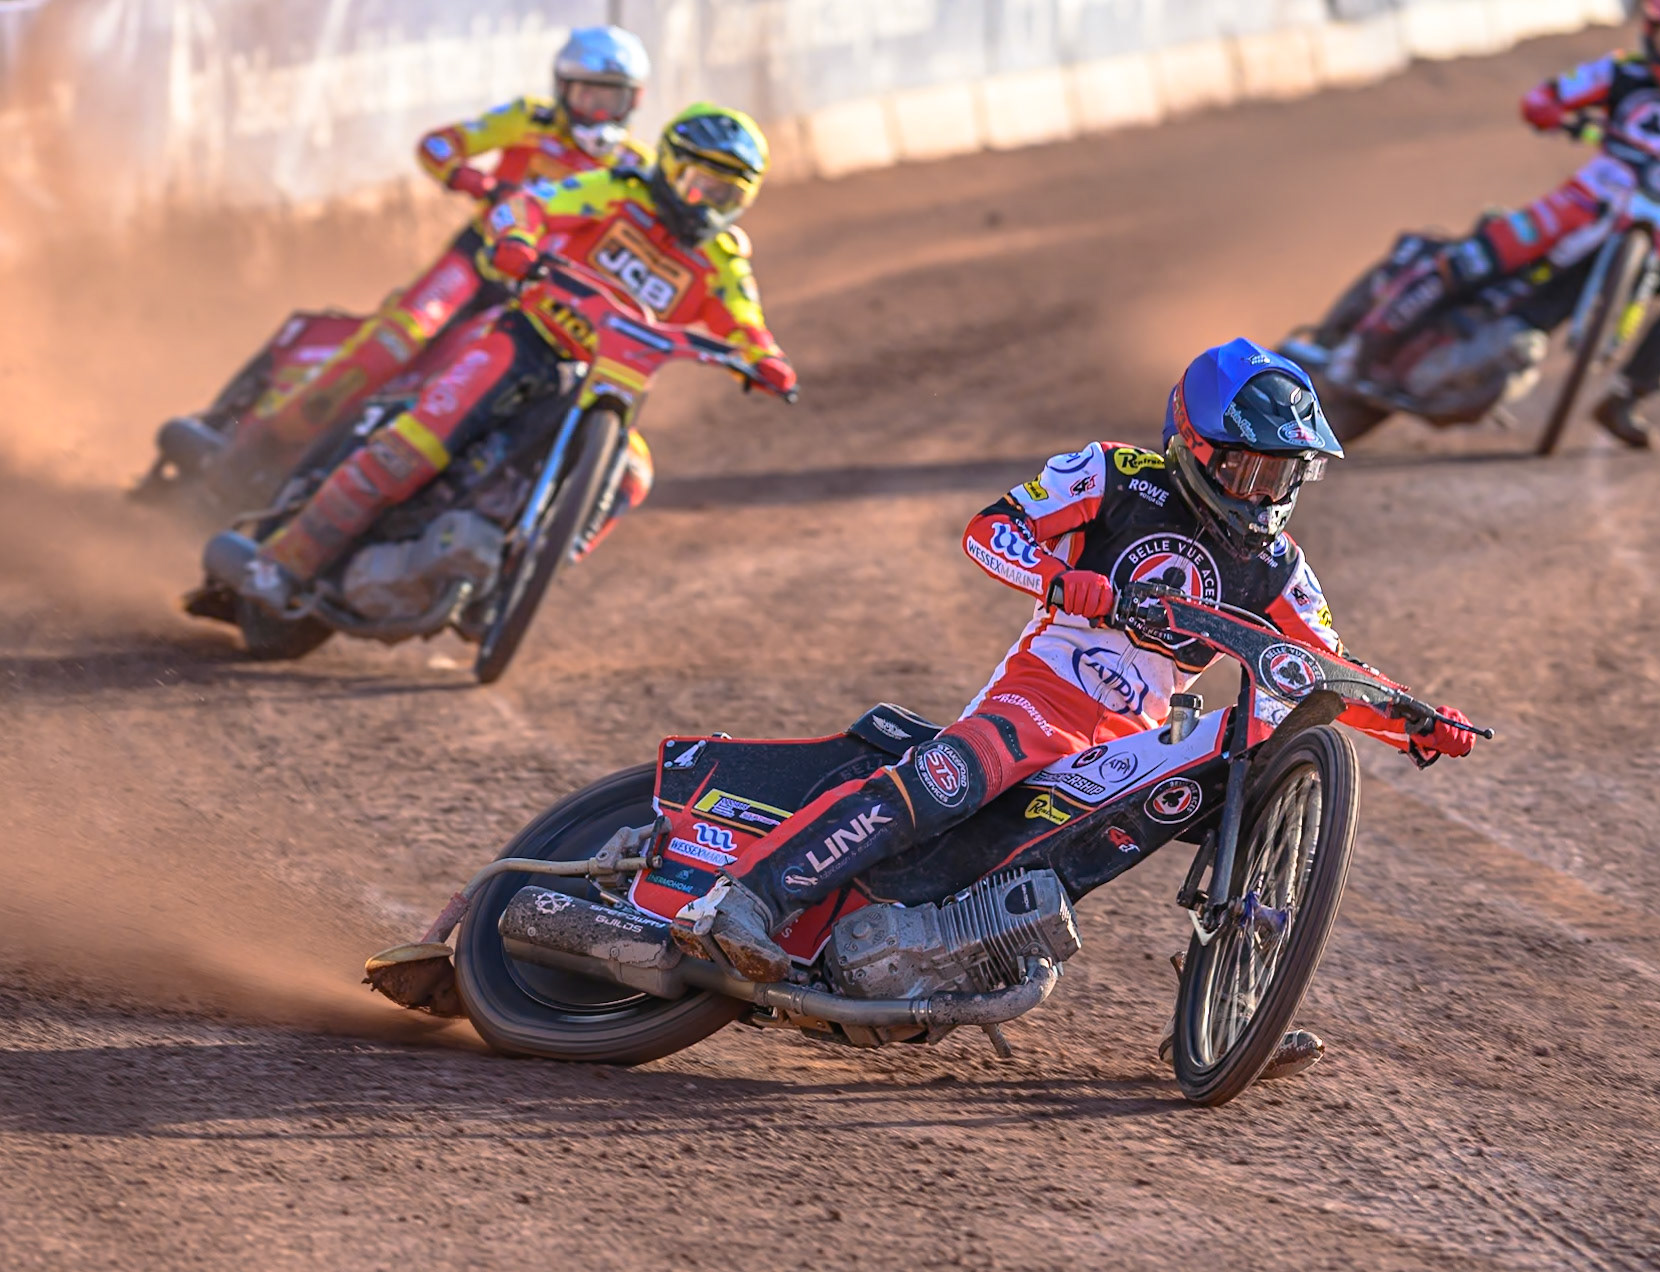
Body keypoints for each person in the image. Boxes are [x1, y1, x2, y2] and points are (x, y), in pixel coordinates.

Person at [682, 338, 1477, 983]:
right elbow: (990, 530)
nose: (1264, 492)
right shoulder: (1114, 475)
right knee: (956, 777)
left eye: (1283, 474)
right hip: (1045, 693)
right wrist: (1063, 580)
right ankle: (745, 899)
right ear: (1195, 446)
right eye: (1248, 468)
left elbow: (1324, 671)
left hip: (1130, 743)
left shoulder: (1280, 571)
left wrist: (1415, 718)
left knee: (1244, 760)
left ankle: (1240, 997)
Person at [215, 104, 795, 612]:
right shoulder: (619, 191)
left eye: (728, 194)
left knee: (633, 474)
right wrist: (517, 238)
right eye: (702, 184)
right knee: (419, 439)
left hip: (604, 386)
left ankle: (521, 579)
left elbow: (745, 321)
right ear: (669, 167)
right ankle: (280, 562)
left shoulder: (721, 259)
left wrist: (766, 360)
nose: (710, 204)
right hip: (526, 340)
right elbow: (534, 203)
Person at [1326, 0, 1660, 448]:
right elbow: (1544, 99)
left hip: (1652, 234)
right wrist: (1568, 119)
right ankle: (1353, 347)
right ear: (1650, 33)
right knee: (1469, 262)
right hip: (1572, 208)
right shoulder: (1619, 70)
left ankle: (1626, 398)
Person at [208, 25, 653, 494]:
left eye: (612, 100)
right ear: (562, 91)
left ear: (635, 101)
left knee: (473, 393)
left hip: (537, 296)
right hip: (477, 262)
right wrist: (482, 185)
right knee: (397, 341)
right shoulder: (529, 120)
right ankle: (245, 451)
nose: (599, 113)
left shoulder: (635, 172)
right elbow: (437, 146)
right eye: (588, 97)